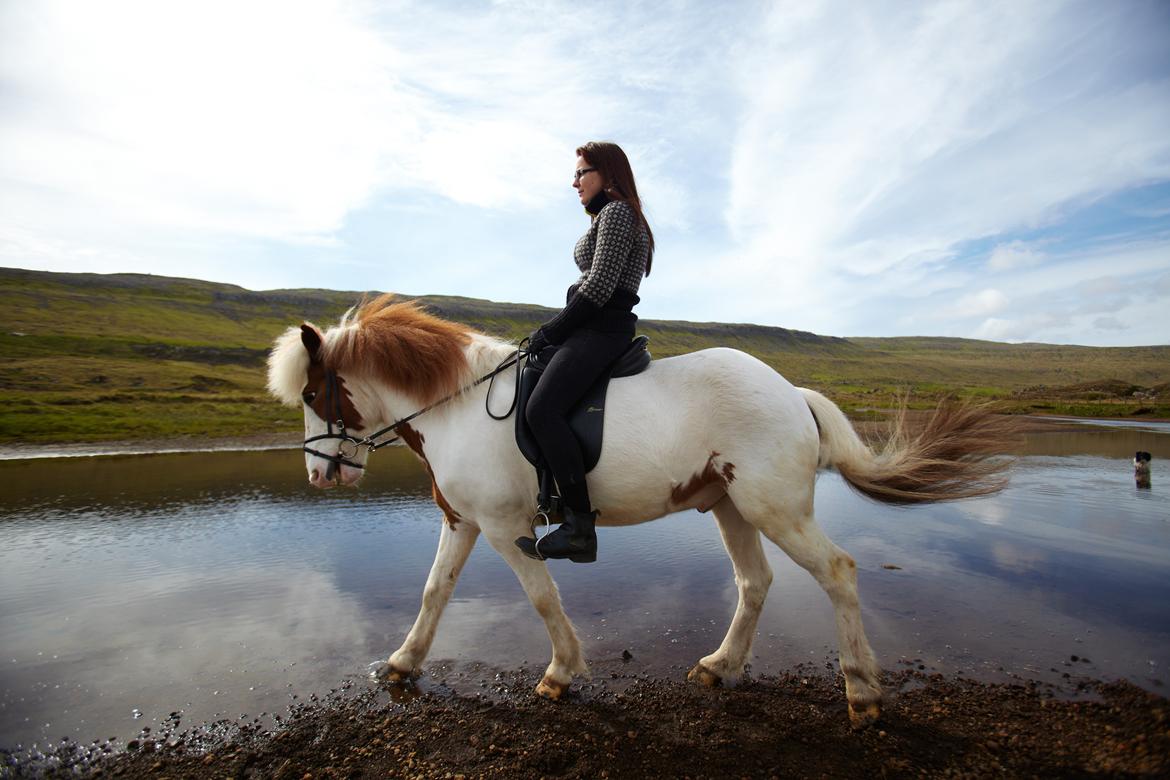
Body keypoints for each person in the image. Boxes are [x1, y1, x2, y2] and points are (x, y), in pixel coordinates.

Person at [514, 141, 654, 563]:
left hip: (601, 328)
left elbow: (598, 288)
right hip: (590, 326)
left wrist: (552, 329)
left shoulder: (618, 212)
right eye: (575, 174)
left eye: (581, 173)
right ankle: (547, 496)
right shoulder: (608, 215)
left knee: (543, 411)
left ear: (607, 174)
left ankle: (579, 527)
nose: (573, 181)